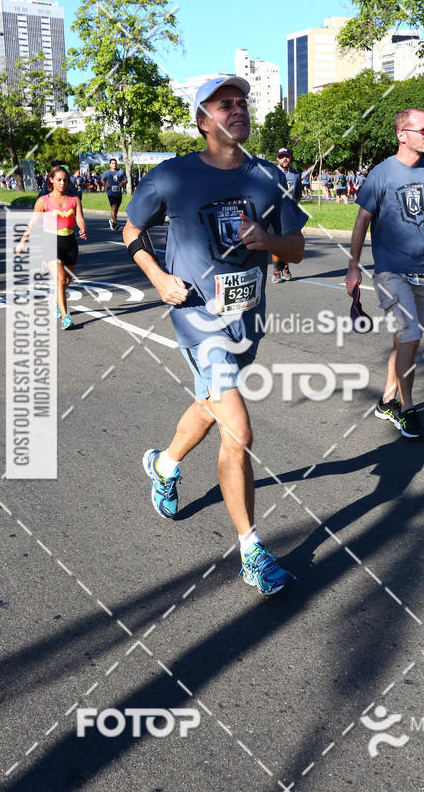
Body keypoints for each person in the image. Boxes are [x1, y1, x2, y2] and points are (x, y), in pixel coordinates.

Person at [122, 75, 307, 596]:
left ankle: (163, 465)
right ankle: (252, 550)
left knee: (210, 404)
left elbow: (296, 250)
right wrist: (158, 278)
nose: (238, 109)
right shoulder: (170, 177)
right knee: (239, 430)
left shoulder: (267, 177)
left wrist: (267, 239)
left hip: (247, 321)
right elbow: (131, 231)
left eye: (243, 101)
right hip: (200, 323)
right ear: (203, 120)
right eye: (225, 103)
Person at [345, 108, 424, 439]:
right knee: (411, 337)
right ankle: (408, 408)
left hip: (423, 271)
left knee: (405, 342)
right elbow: (362, 221)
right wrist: (353, 267)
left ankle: (386, 400)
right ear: (402, 135)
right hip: (390, 271)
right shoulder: (381, 174)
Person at [15, 166, 87, 329]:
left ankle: (57, 301)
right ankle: (65, 317)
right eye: (59, 179)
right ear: (51, 180)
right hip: (50, 242)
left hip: (70, 243)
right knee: (60, 280)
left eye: (65, 180)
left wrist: (83, 229)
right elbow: (33, 223)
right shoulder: (43, 201)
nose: (62, 183)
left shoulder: (74, 199)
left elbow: (79, 218)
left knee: (66, 280)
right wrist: (22, 241)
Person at [271, 147, 303, 283]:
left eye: (287, 156)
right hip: (275, 213)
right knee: (276, 243)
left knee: (289, 243)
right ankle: (276, 271)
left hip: (289, 214)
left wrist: (293, 205)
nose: (284, 159)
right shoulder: (272, 173)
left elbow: (298, 193)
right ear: (277, 158)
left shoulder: (295, 174)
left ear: (290, 158)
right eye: (281, 156)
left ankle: (285, 267)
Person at [101, 158, 127, 230]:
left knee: (116, 209)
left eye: (115, 163)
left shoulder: (121, 171)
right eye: (112, 163)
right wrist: (105, 185)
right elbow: (102, 179)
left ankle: (112, 221)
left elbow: (126, 180)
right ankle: (115, 224)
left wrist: (123, 182)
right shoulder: (107, 172)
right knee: (114, 207)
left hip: (118, 193)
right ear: (110, 164)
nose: (114, 164)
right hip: (110, 193)